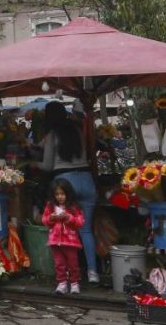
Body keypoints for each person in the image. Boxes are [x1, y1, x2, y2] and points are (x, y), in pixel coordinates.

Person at [39, 101, 98, 284]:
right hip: (87, 181)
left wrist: (34, 164)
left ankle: (68, 277)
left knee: (64, 230)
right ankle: (93, 273)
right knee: (86, 231)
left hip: (65, 183)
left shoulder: (52, 136)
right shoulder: (77, 131)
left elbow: (47, 166)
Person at [42, 178, 86, 295]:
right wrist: (51, 218)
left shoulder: (73, 207)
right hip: (55, 241)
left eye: (62, 194)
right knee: (59, 263)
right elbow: (44, 220)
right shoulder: (50, 206)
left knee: (73, 264)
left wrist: (68, 217)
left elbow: (80, 222)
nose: (60, 197)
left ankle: (74, 283)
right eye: (57, 194)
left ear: (68, 193)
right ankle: (62, 283)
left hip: (70, 241)